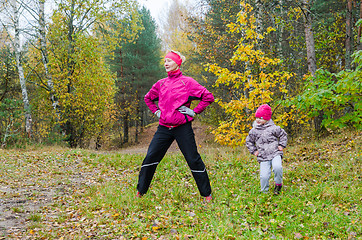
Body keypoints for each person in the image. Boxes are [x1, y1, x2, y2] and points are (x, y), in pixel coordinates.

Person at [136, 50, 214, 202]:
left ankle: (207, 195)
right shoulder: (161, 83)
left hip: (182, 128)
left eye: (169, 61)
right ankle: (141, 192)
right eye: (164, 61)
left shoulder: (188, 82)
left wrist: (193, 111)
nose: (165, 63)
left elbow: (208, 97)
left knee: (193, 159)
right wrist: (157, 112)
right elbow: (148, 98)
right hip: (164, 128)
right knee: (150, 157)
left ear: (177, 63)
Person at [245, 104, 288, 195]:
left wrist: (281, 145)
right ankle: (264, 192)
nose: (258, 120)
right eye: (257, 117)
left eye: (260, 117)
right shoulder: (254, 131)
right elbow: (249, 141)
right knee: (264, 176)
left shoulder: (274, 128)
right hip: (263, 156)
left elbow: (283, 135)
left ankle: (278, 184)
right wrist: (254, 151)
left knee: (277, 167)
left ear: (267, 118)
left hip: (275, 153)